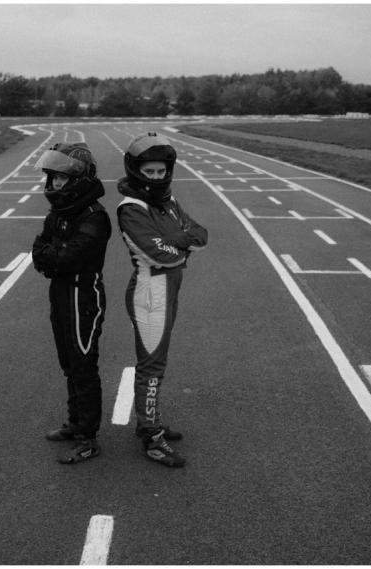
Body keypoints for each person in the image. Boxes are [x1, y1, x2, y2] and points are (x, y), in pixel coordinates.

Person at [116, 132, 208, 468]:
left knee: (158, 363)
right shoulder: (131, 208)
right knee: (151, 367)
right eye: (150, 171)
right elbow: (162, 254)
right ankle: (151, 437)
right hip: (149, 293)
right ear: (136, 170)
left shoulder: (168, 201)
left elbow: (200, 234)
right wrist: (177, 243)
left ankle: (150, 421)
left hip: (168, 290)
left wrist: (175, 241)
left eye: (161, 171)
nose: (157, 177)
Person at [32, 142, 111, 465]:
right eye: (52, 178)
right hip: (61, 292)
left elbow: (65, 257)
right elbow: (40, 249)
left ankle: (88, 437)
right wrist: (49, 257)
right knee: (68, 363)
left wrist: (50, 257)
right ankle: (75, 421)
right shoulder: (60, 213)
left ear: (77, 179)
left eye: (60, 179)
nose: (54, 185)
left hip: (83, 295)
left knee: (83, 364)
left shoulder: (95, 216)